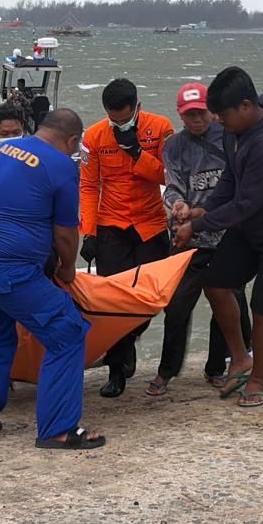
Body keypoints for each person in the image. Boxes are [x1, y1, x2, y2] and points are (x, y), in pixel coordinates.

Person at [0, 109, 105, 450]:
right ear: (73, 141)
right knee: (67, 331)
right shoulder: (62, 165)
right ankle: (58, 430)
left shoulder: (3, 150)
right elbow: (65, 233)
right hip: (8, 270)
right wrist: (68, 268)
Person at [173, 66, 263, 408]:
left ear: (245, 106)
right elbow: (231, 181)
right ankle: (240, 358)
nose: (218, 121)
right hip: (253, 225)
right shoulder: (234, 131)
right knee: (216, 284)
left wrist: (196, 226)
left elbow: (245, 204)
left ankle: (257, 380)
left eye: (223, 115)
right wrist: (202, 209)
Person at [148, 84, 252, 396]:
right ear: (180, 116)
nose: (196, 119)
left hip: (229, 236)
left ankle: (217, 367)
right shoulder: (174, 146)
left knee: (228, 305)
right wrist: (177, 205)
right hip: (189, 237)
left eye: (201, 113)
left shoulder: (231, 137)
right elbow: (173, 185)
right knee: (177, 307)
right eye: (189, 114)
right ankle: (167, 371)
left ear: (212, 111)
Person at [79, 78, 175, 398]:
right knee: (114, 301)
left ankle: (130, 338)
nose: (118, 124)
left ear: (137, 107)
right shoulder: (94, 137)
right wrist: (88, 232)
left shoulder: (160, 128)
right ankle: (116, 369)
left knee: (150, 299)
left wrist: (137, 153)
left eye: (124, 119)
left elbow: (169, 176)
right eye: (113, 119)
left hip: (151, 224)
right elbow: (88, 186)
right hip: (111, 224)